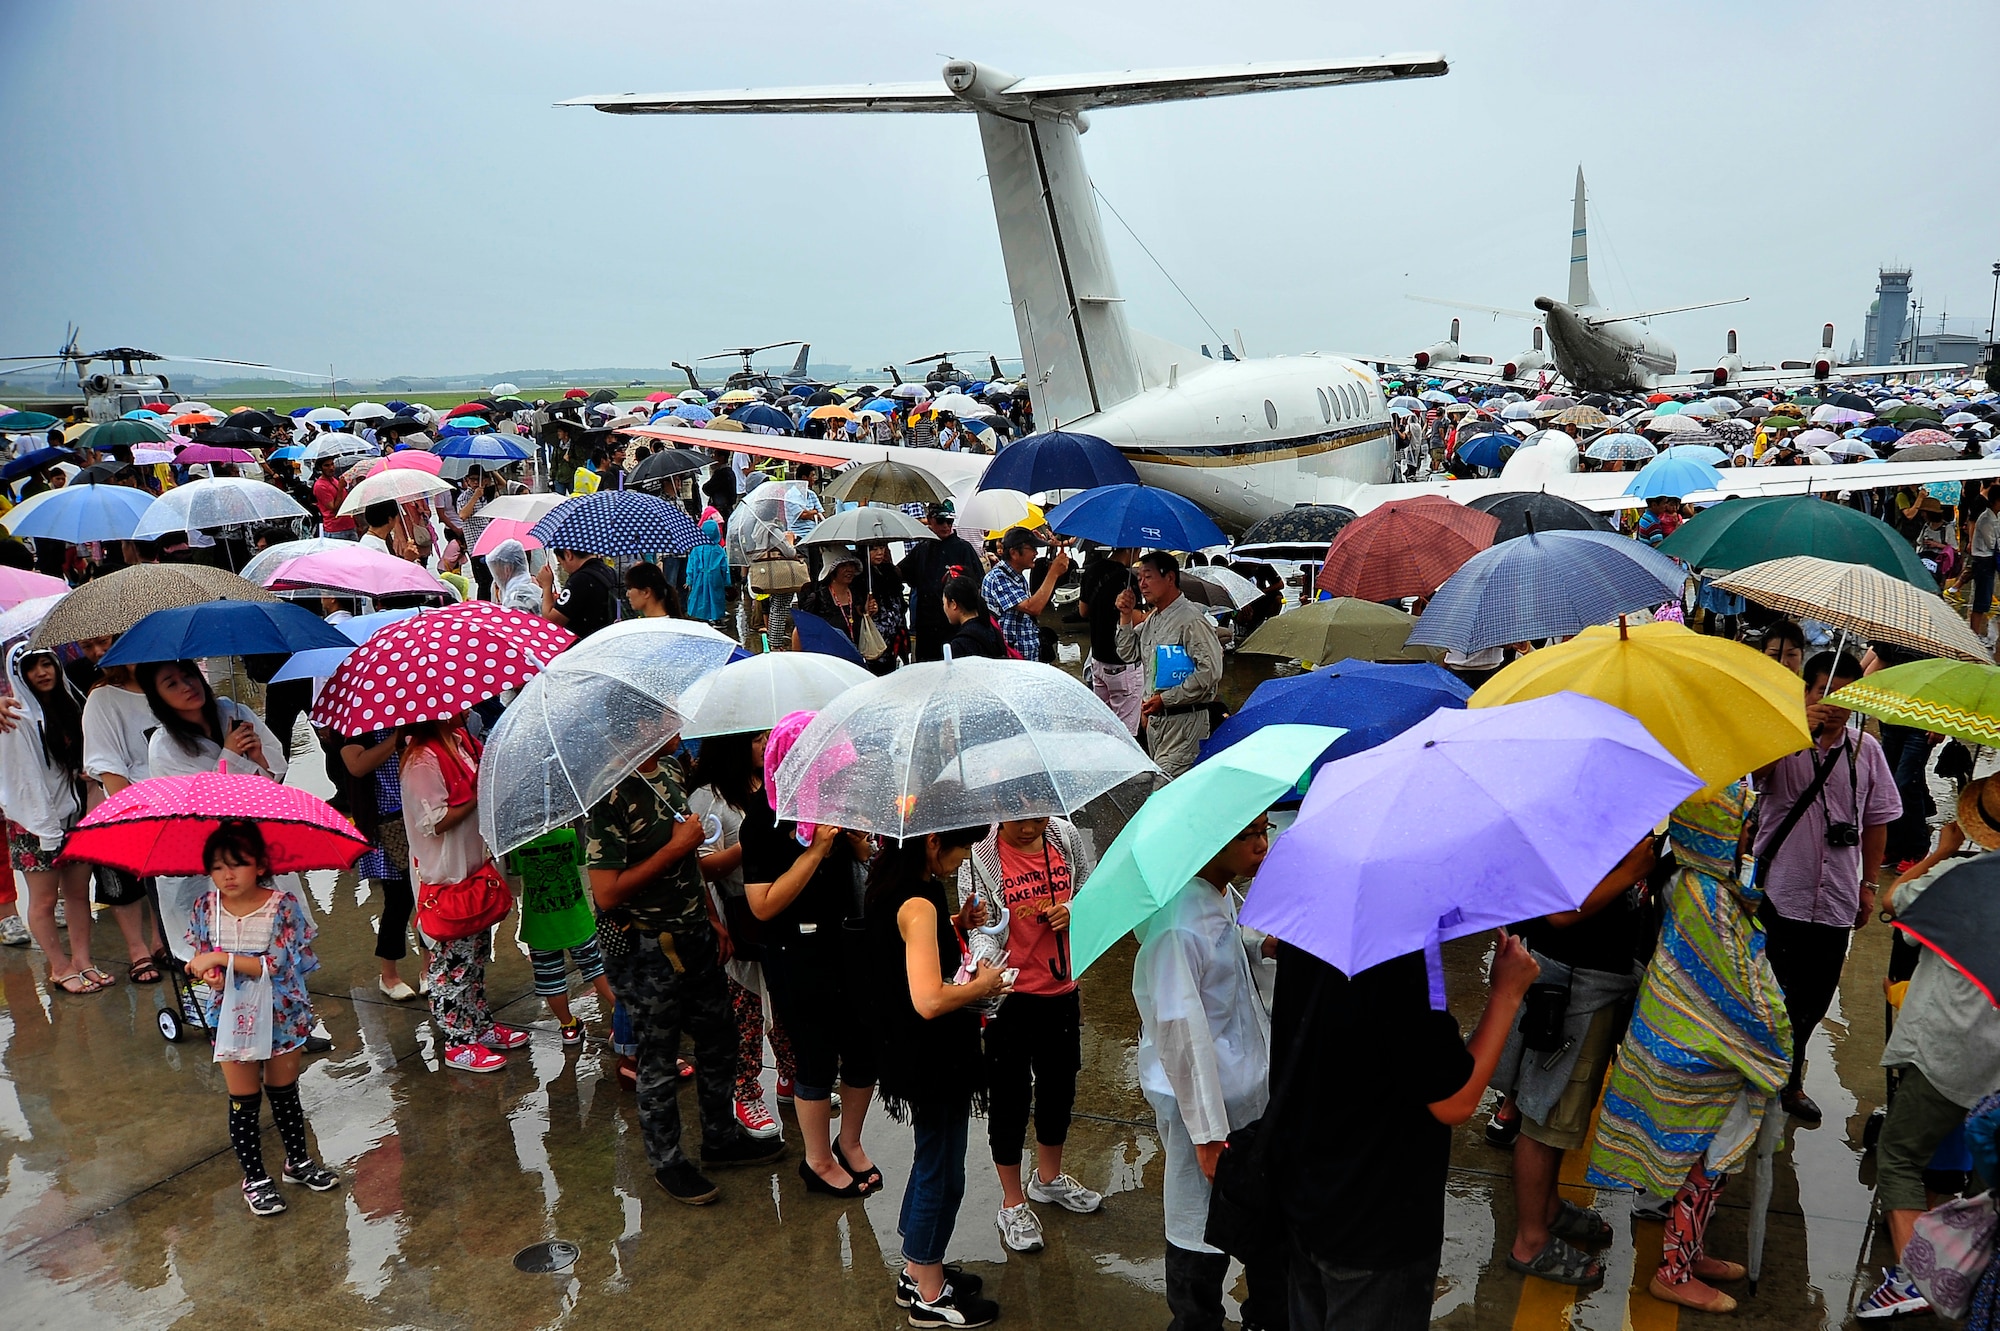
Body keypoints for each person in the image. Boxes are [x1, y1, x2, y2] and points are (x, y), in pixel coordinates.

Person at [1588, 784, 1794, 1314]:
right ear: (1714, 831)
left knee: (1704, 1163)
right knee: (1703, 1164)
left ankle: (1691, 1252)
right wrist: (1776, 1044)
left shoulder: (1703, 881)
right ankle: (1673, 1271)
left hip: (1691, 1047)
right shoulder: (1707, 896)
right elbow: (1740, 989)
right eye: (1742, 823)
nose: (1751, 831)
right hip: (1698, 1054)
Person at [1268, 926, 1538, 1329]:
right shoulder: (1401, 954)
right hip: (1375, 1223)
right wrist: (1507, 993)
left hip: (1307, 1197)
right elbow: (1455, 1100)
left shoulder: (1308, 924)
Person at [586, 736, 782, 1205]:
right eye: (666, 712)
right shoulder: (608, 793)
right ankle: (667, 1161)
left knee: (720, 1038)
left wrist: (712, 920)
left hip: (695, 933)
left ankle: (720, 1138)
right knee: (659, 1055)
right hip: (646, 947)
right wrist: (676, 849)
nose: (679, 721)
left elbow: (692, 863)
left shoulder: (671, 772)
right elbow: (607, 893)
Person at [1130, 813, 1281, 1331]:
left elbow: (1230, 951)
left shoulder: (1218, 894)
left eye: (1266, 831)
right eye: (1250, 835)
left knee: (1255, 1219)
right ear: (1214, 841)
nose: (1263, 844)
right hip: (1205, 1103)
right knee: (1199, 1226)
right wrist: (1208, 1131)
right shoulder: (1177, 923)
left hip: (1244, 1090)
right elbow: (1180, 1028)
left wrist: (1259, 947)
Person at [1492, 836, 1659, 1290]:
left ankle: (1545, 1208)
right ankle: (1530, 1240)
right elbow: (1560, 912)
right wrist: (1632, 870)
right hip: (1571, 989)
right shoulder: (1569, 813)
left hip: (1594, 982)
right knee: (1545, 1117)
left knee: (1564, 1112)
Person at [1855, 800, 2000, 1319]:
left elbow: (1894, 903)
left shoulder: (1960, 877)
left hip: (1948, 1048)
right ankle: (1976, 1287)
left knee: (1899, 1154)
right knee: (1988, 1186)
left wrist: (1939, 853)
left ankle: (1917, 1277)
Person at [866, 826, 1007, 1329]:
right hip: (932, 1055)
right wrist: (984, 984)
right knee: (943, 1169)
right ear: (932, 843)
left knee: (933, 1158)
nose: (964, 859)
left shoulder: (894, 885)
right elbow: (929, 999)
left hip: (906, 1049)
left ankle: (915, 1265)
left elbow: (902, 940)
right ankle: (930, 1289)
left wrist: (957, 921)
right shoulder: (918, 902)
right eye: (961, 848)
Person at [1751, 649, 1899, 1123]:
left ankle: (1789, 1079)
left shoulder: (1866, 751)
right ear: (1806, 692)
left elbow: (1877, 823)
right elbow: (1754, 777)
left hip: (1835, 898)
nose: (1833, 703)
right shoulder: (1781, 737)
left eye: (1844, 695)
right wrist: (1799, 729)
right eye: (1823, 692)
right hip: (1781, 891)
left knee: (1813, 1000)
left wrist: (1869, 884)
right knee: (1768, 994)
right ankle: (1756, 1077)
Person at [742, 711, 880, 1197]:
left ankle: (850, 1141)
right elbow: (762, 904)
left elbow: (857, 871)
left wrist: (859, 848)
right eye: (825, 767)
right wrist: (815, 852)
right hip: (795, 953)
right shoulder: (764, 819)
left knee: (864, 1052)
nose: (836, 775)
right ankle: (817, 1160)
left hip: (847, 943)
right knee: (815, 1059)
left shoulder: (838, 804)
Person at [957, 815, 1101, 1254]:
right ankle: (1012, 1201)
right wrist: (986, 944)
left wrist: (1071, 910)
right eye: (1019, 820)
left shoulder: (1064, 835)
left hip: (1061, 989)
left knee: (1060, 1088)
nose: (1029, 828)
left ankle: (1048, 1179)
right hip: (1010, 997)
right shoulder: (978, 854)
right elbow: (977, 928)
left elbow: (1091, 890)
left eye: (1038, 817)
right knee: (1010, 1099)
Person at [185, 821, 340, 1216]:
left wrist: (221, 959)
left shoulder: (282, 905)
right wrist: (210, 973)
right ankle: (254, 1178)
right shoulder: (206, 908)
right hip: (233, 1018)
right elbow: (203, 957)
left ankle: (298, 1162)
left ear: (260, 865)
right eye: (218, 867)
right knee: (244, 1100)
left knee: (285, 1092)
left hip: (280, 1013)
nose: (228, 875)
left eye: (238, 864)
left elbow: (277, 964)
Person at [138, 659, 297, 960]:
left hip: (255, 842)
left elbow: (272, 782)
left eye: (189, 676)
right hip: (206, 860)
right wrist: (231, 755)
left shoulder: (233, 712)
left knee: (275, 943)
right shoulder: (164, 746)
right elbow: (200, 806)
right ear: (157, 697)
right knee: (222, 953)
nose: (187, 686)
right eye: (171, 684)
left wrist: (258, 756)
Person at [400, 714, 528, 1072]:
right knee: (450, 965)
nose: (466, 709)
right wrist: (478, 793)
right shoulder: (422, 761)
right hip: (445, 875)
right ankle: (457, 1041)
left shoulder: (460, 741)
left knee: (473, 957)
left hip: (472, 868)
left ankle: (480, 1025)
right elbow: (436, 820)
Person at [689, 728, 799, 1142]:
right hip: (736, 913)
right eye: (757, 739)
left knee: (785, 1000)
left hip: (777, 909)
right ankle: (746, 1091)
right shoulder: (708, 798)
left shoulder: (769, 782)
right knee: (747, 1011)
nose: (766, 745)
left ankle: (791, 1076)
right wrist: (755, 839)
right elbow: (702, 867)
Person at [0, 645, 100, 994]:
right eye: (31, 668)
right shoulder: (14, 717)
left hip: (74, 816)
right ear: (18, 675)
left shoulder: (70, 706)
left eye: (47, 663)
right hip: (34, 823)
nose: (42, 672)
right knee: (43, 901)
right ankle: (59, 967)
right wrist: (45, 830)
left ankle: (84, 960)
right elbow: (22, 780)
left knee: (76, 894)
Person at [76, 635, 168, 983]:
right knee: (124, 883)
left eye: (102, 642)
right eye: (87, 647)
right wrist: (134, 813)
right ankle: (137, 951)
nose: (98, 652)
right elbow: (106, 763)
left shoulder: (168, 686)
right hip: (131, 807)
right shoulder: (101, 698)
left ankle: (163, 941)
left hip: (177, 804)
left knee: (169, 884)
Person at [1117, 552, 1224, 783]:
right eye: (1139, 579)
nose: (1142, 584)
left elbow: (1210, 672)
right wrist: (1125, 616)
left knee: (1164, 791)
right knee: (1170, 792)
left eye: (1148, 577)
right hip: (1157, 725)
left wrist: (1166, 699)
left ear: (1170, 578)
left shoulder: (1190, 620)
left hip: (1185, 722)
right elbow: (1128, 653)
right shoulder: (1154, 619)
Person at [339, 728, 427, 1001]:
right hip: (386, 821)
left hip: (420, 813)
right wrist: (397, 738)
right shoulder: (356, 725)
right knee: (399, 900)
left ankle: (429, 968)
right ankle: (389, 975)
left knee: (427, 894)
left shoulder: (415, 714)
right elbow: (357, 765)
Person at [899, 501, 981, 661]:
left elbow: (977, 586)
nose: (945, 526)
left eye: (949, 521)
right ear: (929, 520)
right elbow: (901, 574)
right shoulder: (922, 548)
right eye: (940, 521)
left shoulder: (963, 549)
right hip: (927, 628)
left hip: (955, 627)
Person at [982, 527, 1070, 663]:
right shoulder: (998, 577)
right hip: (1011, 659)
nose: (1035, 553)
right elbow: (1033, 608)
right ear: (1014, 553)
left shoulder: (1017, 575)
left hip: (1026, 655)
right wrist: (1053, 573)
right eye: (1032, 549)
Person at [1078, 548, 1142, 735]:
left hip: (1097, 660)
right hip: (1122, 664)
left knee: (1104, 728)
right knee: (1126, 734)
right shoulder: (1127, 580)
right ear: (1132, 550)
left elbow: (1083, 611)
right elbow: (1137, 619)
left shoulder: (1091, 570)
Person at [791, 547, 865, 651]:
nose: (849, 569)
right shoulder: (819, 598)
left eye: (851, 565)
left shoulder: (857, 594)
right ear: (832, 570)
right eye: (843, 565)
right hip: (829, 657)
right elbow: (799, 630)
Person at [538, 547, 621, 639]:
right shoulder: (609, 571)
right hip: (610, 637)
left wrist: (546, 586)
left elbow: (551, 622)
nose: (564, 568)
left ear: (568, 554)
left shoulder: (580, 580)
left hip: (588, 644)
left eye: (560, 563)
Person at [860, 542, 908, 674]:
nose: (879, 552)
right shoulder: (861, 576)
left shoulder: (891, 571)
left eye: (881, 548)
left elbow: (899, 602)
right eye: (874, 549)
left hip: (894, 632)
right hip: (875, 635)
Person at [941, 575, 1011, 659]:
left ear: (954, 604)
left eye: (944, 603)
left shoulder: (960, 644)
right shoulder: (991, 628)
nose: (944, 608)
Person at [1965, 479, 2000, 642]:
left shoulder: (1994, 517)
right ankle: (1974, 634)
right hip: (1984, 560)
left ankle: (1976, 633)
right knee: (1981, 598)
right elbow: (1992, 543)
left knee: (1984, 598)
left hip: (1988, 560)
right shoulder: (1986, 520)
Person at [684, 517, 730, 627]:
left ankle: (702, 617)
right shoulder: (719, 549)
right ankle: (716, 618)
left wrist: (689, 580)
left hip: (699, 577)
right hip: (716, 577)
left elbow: (691, 566)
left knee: (700, 596)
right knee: (716, 597)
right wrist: (726, 582)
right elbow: (724, 567)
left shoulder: (696, 549)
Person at [485, 538, 542, 615]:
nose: (496, 577)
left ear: (507, 569)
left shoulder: (514, 600)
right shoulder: (533, 588)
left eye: (496, 571)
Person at [313, 457, 356, 539]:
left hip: (349, 526)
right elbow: (333, 508)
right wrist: (340, 488)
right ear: (320, 468)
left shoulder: (335, 480)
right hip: (335, 530)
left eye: (332, 464)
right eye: (327, 466)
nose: (331, 468)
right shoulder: (320, 486)